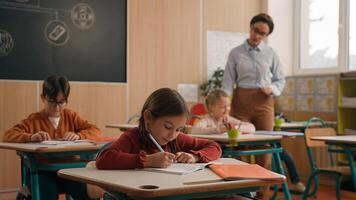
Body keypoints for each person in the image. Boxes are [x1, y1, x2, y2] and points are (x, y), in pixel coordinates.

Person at [221, 13, 305, 192]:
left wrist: (272, 89)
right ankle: (242, 193)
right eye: (255, 30)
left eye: (262, 33)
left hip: (264, 103)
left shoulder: (271, 53)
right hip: (240, 102)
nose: (257, 35)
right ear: (250, 27)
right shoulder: (235, 53)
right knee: (238, 148)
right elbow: (228, 81)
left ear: (267, 36)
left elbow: (280, 80)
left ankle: (262, 195)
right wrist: (225, 107)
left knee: (264, 149)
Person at [3, 75, 102, 199]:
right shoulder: (34, 120)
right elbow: (8, 135)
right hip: (43, 172)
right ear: (43, 98)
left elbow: (96, 130)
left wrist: (78, 135)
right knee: (46, 194)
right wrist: (31, 137)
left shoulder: (71, 116)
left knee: (87, 193)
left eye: (61, 102)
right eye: (52, 102)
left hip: (69, 171)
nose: (57, 107)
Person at [96, 88, 222, 170]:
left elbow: (214, 147)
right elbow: (103, 159)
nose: (172, 134)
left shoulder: (176, 139)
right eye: (167, 127)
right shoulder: (133, 137)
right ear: (148, 117)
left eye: (179, 129)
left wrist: (194, 157)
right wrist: (146, 161)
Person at [190, 89, 255, 135]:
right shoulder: (207, 119)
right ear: (211, 107)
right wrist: (218, 129)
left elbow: (252, 128)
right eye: (222, 107)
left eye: (228, 106)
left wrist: (235, 128)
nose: (227, 109)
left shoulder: (228, 119)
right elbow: (195, 130)